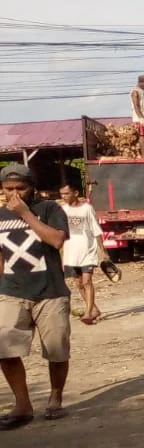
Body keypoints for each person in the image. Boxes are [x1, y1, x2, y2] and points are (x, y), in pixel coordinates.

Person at [0, 163, 70, 426]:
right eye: (9, 189)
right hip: (12, 291)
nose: (14, 194)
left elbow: (56, 240)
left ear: (32, 187)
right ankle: (22, 404)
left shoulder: (49, 209)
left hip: (50, 292)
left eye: (21, 188)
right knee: (5, 348)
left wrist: (25, 214)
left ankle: (55, 398)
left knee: (56, 349)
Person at [59, 182, 105, 324]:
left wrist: (102, 251)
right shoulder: (63, 210)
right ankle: (94, 309)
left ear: (76, 193)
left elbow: (96, 229)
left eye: (67, 193)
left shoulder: (87, 209)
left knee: (87, 281)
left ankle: (88, 313)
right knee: (79, 283)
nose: (64, 197)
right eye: (62, 194)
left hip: (87, 251)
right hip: (71, 252)